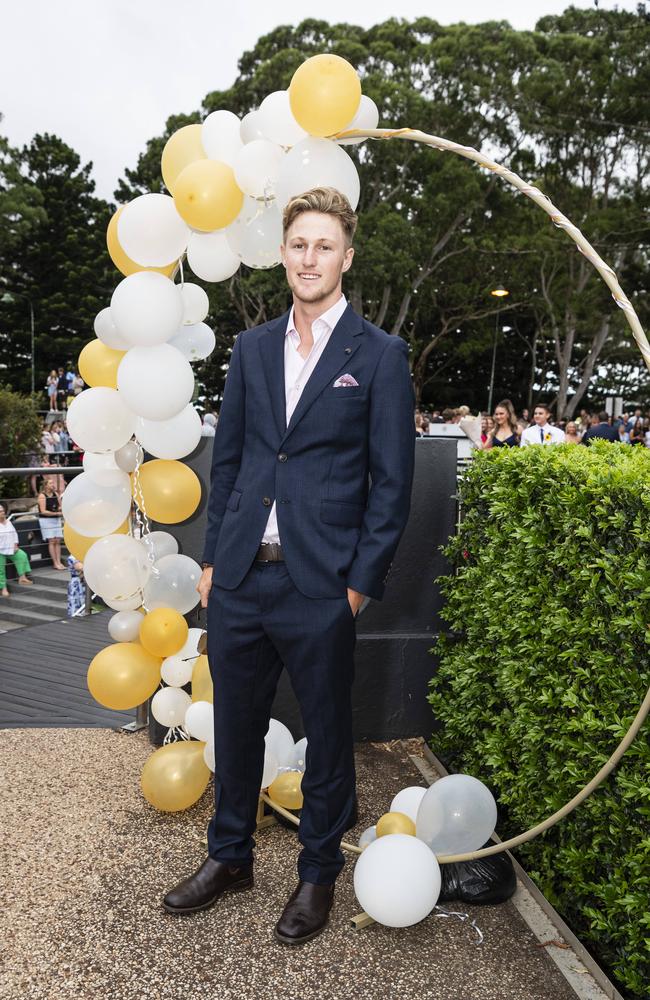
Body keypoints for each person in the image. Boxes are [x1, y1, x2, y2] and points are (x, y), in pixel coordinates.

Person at [163, 187, 416, 945]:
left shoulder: (379, 355)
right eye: (298, 244)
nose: (310, 258)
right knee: (235, 729)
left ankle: (317, 875)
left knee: (330, 738)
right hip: (240, 576)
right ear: (283, 253)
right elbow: (233, 457)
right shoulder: (251, 348)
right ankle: (229, 857)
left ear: (346, 256)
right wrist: (212, 561)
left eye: (324, 246)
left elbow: (392, 483)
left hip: (321, 585)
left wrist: (359, 585)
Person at [0, 502, 34, 597]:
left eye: (3, 511)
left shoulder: (8, 522)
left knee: (22, 555)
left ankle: (22, 578)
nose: (3, 513)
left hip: (11, 548)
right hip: (0, 551)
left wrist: (15, 545)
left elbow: (14, 534)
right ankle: (3, 588)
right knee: (0, 570)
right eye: (0, 512)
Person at [37, 477, 65, 569]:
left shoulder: (55, 494)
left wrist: (61, 509)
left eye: (53, 483)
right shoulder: (42, 496)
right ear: (45, 486)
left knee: (57, 540)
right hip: (46, 521)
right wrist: (57, 513)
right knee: (52, 541)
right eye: (50, 483)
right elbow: (43, 511)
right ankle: (55, 563)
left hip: (55, 520)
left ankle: (59, 562)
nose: (52, 485)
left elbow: (60, 506)